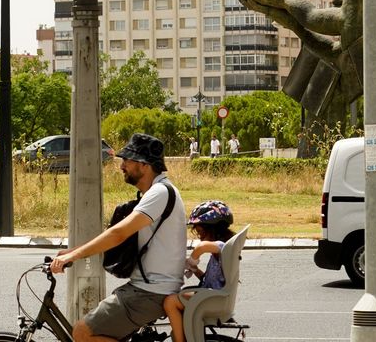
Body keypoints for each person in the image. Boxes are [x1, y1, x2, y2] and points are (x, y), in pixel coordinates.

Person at [50, 133, 187, 342]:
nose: (122, 166)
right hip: (148, 288)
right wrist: (74, 251)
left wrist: (73, 256)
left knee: (82, 333)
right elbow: (118, 233)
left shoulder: (160, 192)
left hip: (149, 292)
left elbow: (118, 234)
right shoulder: (159, 191)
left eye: (126, 161)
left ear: (144, 165)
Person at [163, 200, 236, 342]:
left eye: (201, 231)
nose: (199, 236)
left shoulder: (222, 246)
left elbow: (201, 247)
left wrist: (192, 260)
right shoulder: (224, 249)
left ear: (214, 228)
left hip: (211, 299)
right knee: (176, 296)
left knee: (170, 302)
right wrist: (196, 270)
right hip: (214, 296)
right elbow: (213, 280)